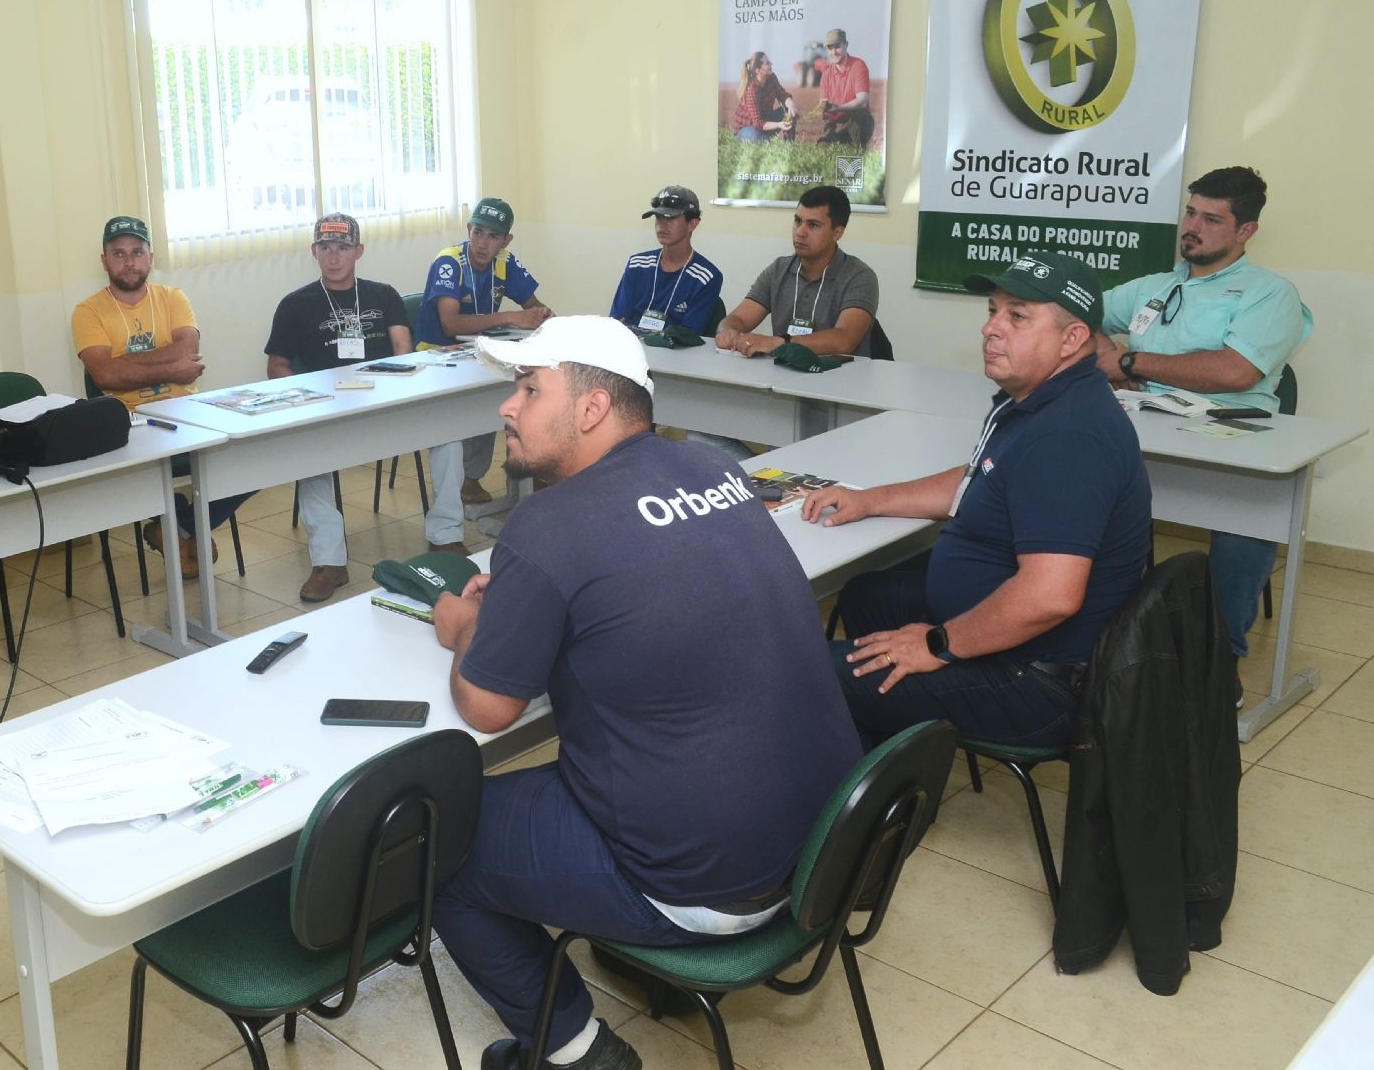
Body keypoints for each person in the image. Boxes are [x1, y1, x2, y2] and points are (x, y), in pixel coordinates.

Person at [429, 315, 862, 1070]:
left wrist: (469, 625)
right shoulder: (715, 469)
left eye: (529, 389)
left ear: (592, 408)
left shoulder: (547, 525)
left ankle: (575, 1050)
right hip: (821, 844)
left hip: (710, 883)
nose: (508, 407)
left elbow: (488, 708)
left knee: (436, 840)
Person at [804, 251, 1152, 748]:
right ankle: (893, 751)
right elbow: (980, 480)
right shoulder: (1040, 399)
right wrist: (870, 499)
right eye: (993, 311)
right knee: (867, 595)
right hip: (1017, 644)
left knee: (813, 672)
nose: (991, 329)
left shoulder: (1069, 436)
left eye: (1018, 316)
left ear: (1072, 339)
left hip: (1036, 679)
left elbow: (1050, 596)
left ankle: (871, 757)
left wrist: (938, 643)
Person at [1096, 166, 1312, 677]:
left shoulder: (1269, 293)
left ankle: (1219, 659)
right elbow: (1075, 313)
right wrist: (1110, 356)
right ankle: (1108, 639)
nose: (1193, 227)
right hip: (1147, 426)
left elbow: (1236, 372)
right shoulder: (1155, 286)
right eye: (1191, 213)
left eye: (1212, 219)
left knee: (1247, 518)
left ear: (1245, 231)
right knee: (1076, 489)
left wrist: (1130, 362)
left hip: (1231, 432)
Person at [71, 215, 247, 579]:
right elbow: (105, 375)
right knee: (144, 465)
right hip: (130, 421)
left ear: (150, 257)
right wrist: (171, 368)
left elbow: (187, 349)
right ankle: (184, 525)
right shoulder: (87, 311)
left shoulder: (173, 297)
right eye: (118, 254)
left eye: (137, 252)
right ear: (104, 261)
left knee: (257, 450)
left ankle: (181, 524)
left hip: (188, 410)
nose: (129, 262)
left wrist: (125, 363)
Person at [263, 212, 413, 601]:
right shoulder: (295, 305)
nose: (334, 257)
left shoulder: (383, 295)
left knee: (447, 428)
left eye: (343, 248)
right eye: (326, 247)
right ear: (314, 251)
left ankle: (447, 533)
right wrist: (306, 398)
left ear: (358, 251)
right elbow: (276, 366)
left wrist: (397, 389)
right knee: (310, 451)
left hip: (386, 401)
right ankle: (329, 562)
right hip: (328, 409)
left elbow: (404, 349)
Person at [416, 197, 554, 538]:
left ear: (506, 241)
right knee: (461, 419)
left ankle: (487, 480)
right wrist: (512, 317)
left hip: (480, 355)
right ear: (468, 230)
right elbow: (450, 324)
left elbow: (533, 304)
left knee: (513, 398)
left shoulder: (505, 262)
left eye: (493, 236)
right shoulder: (450, 262)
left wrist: (541, 315)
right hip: (436, 358)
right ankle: (455, 502)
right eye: (477, 232)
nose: (482, 243)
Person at [715, 184, 877, 357]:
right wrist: (728, 331)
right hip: (783, 371)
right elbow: (739, 318)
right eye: (798, 221)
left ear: (837, 233)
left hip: (841, 372)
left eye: (813, 225)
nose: (800, 232)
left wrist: (780, 343)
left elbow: (844, 340)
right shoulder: (778, 270)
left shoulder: (859, 276)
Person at [607, 185, 724, 336]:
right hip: (633, 347)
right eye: (658, 217)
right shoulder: (637, 264)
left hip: (675, 350)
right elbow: (617, 322)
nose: (661, 225)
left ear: (692, 224)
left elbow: (687, 335)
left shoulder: (706, 277)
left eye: (670, 218)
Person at [816, 27, 874, 146]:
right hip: (837, 123)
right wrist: (822, 108)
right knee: (823, 146)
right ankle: (838, 141)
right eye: (830, 48)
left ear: (846, 45)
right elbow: (823, 104)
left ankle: (856, 147)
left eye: (837, 47)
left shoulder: (858, 66)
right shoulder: (826, 75)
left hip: (857, 120)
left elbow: (862, 101)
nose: (833, 52)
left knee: (858, 120)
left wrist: (838, 107)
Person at [731, 52, 796, 141]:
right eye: (767, 63)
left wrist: (790, 104)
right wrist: (778, 125)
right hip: (748, 128)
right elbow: (758, 123)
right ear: (758, 70)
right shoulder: (751, 89)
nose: (771, 64)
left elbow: (782, 94)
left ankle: (788, 144)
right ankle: (766, 140)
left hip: (765, 123)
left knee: (788, 111)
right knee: (761, 139)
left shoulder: (771, 78)